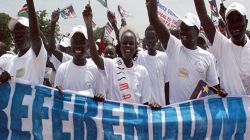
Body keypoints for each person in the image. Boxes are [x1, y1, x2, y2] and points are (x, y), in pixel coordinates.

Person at [83, 4, 160, 108]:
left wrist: (153, 106)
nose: (127, 45)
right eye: (124, 43)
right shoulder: (111, 65)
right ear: (120, 45)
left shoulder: (142, 72)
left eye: (131, 43)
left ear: (136, 46)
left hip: (134, 122)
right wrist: (89, 26)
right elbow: (95, 57)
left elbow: (145, 104)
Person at [146, 0, 222, 103]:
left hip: (198, 115)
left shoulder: (208, 57)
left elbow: (213, 89)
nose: (183, 32)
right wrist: (151, 5)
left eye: (187, 28)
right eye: (182, 28)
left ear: (197, 31)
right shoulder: (174, 47)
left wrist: (220, 92)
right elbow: (154, 20)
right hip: (177, 114)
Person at [194, 1, 250, 95]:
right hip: (229, 109)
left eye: (239, 20)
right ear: (226, 25)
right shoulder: (222, 46)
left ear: (246, 22)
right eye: (231, 21)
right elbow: (203, 16)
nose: (235, 24)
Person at [0, 0, 47, 85]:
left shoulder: (36, 57)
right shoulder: (10, 62)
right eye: (15, 32)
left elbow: (35, 36)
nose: (18, 35)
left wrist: (30, 2)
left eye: (22, 30)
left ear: (30, 33)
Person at [54, 25, 104, 101]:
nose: (78, 45)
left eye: (81, 42)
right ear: (71, 44)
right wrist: (56, 91)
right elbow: (55, 98)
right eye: (75, 42)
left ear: (87, 45)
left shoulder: (95, 69)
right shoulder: (62, 68)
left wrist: (99, 98)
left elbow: (101, 96)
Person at [136, 25, 169, 106]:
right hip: (145, 106)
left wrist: (168, 105)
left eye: (152, 38)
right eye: (148, 38)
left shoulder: (164, 57)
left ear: (157, 39)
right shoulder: (140, 56)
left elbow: (167, 83)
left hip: (160, 105)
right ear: (145, 40)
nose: (150, 41)